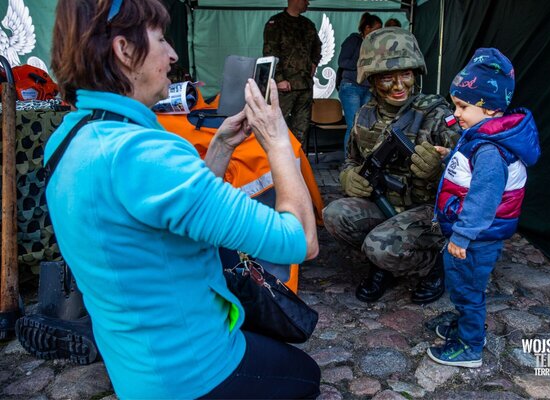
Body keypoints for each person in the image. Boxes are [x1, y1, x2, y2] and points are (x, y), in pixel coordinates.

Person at [38, 0, 321, 398]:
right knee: (306, 376)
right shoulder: (146, 155)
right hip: (193, 371)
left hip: (135, 368)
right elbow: (300, 241)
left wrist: (220, 147)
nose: (172, 55)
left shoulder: (68, 138)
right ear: (124, 50)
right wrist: (276, 141)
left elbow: (163, 215)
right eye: (160, 39)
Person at [322, 28, 460, 304]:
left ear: (416, 75)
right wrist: (348, 176)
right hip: (385, 204)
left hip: (428, 212)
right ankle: (386, 264)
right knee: (334, 215)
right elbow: (352, 159)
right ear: (372, 80)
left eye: (406, 75)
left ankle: (432, 266)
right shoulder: (364, 115)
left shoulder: (436, 114)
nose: (399, 86)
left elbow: (470, 167)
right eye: (387, 78)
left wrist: (441, 166)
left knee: (378, 245)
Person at [427, 48, 541, 367]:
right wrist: (449, 155)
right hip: (475, 236)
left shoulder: (490, 151)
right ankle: (466, 323)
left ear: (488, 109)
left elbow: (484, 197)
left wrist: (462, 236)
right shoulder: (482, 138)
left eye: (462, 106)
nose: (456, 113)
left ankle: (471, 344)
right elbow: (473, 171)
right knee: (463, 286)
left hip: (475, 238)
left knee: (467, 289)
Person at [263, 0, 322, 143]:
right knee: (276, 125)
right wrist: (279, 79)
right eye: (305, 0)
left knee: (301, 128)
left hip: (305, 85)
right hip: (285, 86)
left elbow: (317, 46)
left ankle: (296, 162)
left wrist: (314, 62)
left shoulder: (308, 25)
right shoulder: (276, 23)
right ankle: (272, 163)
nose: (308, 3)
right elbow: (270, 53)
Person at [337, 12, 382, 154]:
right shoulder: (353, 40)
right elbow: (342, 62)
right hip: (351, 87)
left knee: (365, 126)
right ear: (367, 28)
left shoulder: (376, 45)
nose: (379, 32)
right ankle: (348, 162)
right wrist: (363, 63)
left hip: (367, 88)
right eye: (377, 28)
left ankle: (360, 160)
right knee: (353, 126)